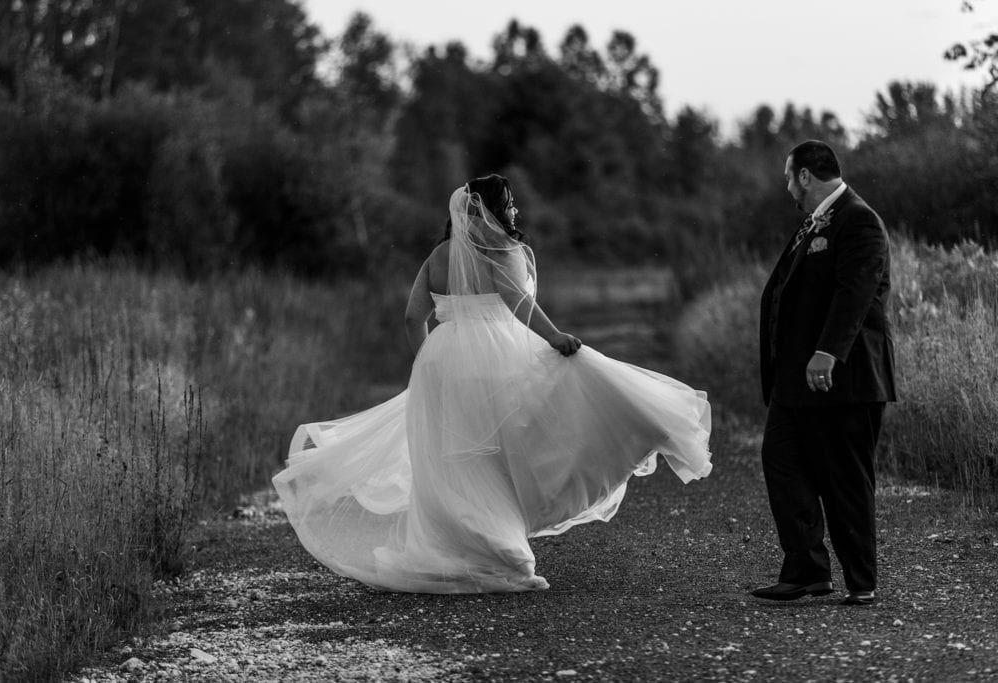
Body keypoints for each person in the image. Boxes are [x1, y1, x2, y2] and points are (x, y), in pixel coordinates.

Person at [272, 173, 712, 593]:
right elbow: (517, 303)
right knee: (508, 448)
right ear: (493, 211)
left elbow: (412, 317)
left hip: (442, 359)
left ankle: (445, 553)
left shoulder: (439, 257)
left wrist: (427, 362)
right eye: (510, 204)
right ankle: (501, 552)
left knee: (453, 462)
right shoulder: (503, 252)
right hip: (495, 357)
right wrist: (554, 336)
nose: (516, 210)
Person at [752, 141, 897, 606]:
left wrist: (827, 353)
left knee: (845, 479)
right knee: (782, 461)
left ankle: (861, 581)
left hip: (844, 380)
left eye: (789, 176)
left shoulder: (860, 221)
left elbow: (855, 294)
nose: (787, 186)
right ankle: (806, 570)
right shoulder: (810, 225)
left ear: (806, 176)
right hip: (796, 384)